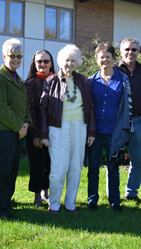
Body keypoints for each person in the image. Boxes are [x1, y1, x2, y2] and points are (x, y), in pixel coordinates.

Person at [40, 44, 96, 214]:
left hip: (80, 126)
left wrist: (91, 131)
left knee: (75, 167)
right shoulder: (51, 81)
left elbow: (91, 106)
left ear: (77, 62)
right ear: (60, 62)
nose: (69, 64)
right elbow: (42, 108)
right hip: (57, 127)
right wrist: (43, 133)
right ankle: (54, 204)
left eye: (73, 60)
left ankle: (70, 204)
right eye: (66, 60)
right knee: (58, 168)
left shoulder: (83, 81)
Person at [0, 38, 31, 220]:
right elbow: (0, 108)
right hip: (2, 133)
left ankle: (5, 204)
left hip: (15, 132)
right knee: (2, 171)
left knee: (11, 170)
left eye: (19, 56)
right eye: (12, 56)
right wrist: (18, 127)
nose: (15, 59)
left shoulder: (17, 78)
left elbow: (24, 106)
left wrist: (27, 123)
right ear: (4, 56)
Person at [87, 43, 131, 212]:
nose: (104, 59)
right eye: (101, 56)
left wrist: (126, 128)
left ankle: (114, 200)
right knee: (93, 166)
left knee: (113, 167)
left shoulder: (122, 79)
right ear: (97, 59)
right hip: (95, 131)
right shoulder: (91, 81)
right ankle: (92, 199)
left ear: (113, 59)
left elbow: (128, 105)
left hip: (115, 131)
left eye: (108, 56)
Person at [114, 37, 141, 202]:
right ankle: (113, 194)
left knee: (137, 161)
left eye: (134, 50)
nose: (130, 52)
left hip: (137, 121)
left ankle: (131, 193)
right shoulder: (113, 69)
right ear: (121, 51)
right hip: (117, 123)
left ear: (139, 52)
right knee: (114, 160)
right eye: (127, 49)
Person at [24, 50, 54, 207]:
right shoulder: (29, 83)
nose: (42, 64)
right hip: (35, 133)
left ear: (51, 63)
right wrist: (36, 135)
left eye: (46, 61)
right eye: (39, 61)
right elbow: (30, 110)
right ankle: (37, 196)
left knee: (49, 164)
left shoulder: (57, 81)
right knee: (37, 164)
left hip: (54, 132)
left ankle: (45, 192)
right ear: (34, 63)